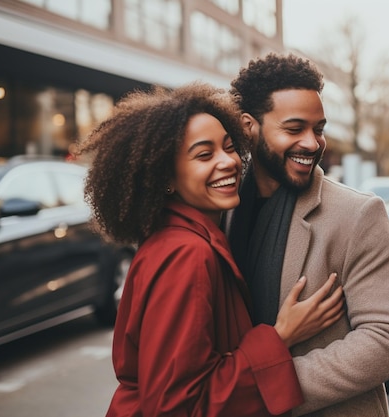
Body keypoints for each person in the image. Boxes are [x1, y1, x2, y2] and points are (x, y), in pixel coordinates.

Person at [76, 82, 345, 417]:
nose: (228, 162)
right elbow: (176, 406)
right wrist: (280, 337)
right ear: (166, 178)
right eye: (204, 154)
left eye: (229, 147)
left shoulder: (179, 236)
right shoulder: (187, 253)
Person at [227, 53, 389, 416]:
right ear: (249, 126)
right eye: (294, 128)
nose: (312, 144)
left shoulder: (357, 213)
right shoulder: (220, 211)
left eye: (318, 129)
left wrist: (269, 387)